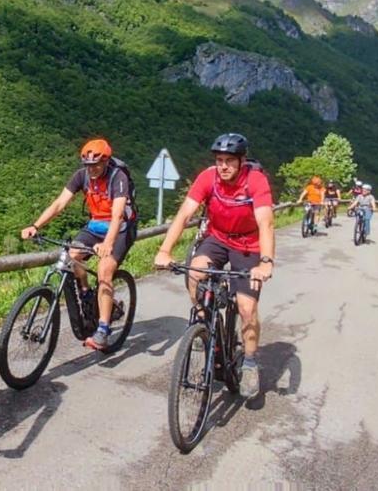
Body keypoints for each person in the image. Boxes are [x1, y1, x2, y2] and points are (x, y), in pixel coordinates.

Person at [153, 133, 276, 399]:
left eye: (229, 161)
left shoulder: (255, 180)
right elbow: (185, 214)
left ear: (242, 161)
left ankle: (251, 362)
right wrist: (164, 250)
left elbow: (266, 223)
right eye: (219, 160)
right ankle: (201, 317)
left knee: (246, 307)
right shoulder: (208, 177)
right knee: (196, 271)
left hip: (248, 245)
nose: (223, 166)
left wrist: (265, 262)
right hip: (217, 238)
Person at [22, 138, 138, 351]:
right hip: (95, 225)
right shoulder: (81, 176)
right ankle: (85, 292)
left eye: (96, 165)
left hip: (121, 228)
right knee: (70, 257)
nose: (92, 169)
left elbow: (117, 215)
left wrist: (107, 245)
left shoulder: (117, 177)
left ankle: (103, 330)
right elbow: (59, 204)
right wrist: (35, 226)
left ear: (106, 161)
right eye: (88, 165)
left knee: (104, 269)